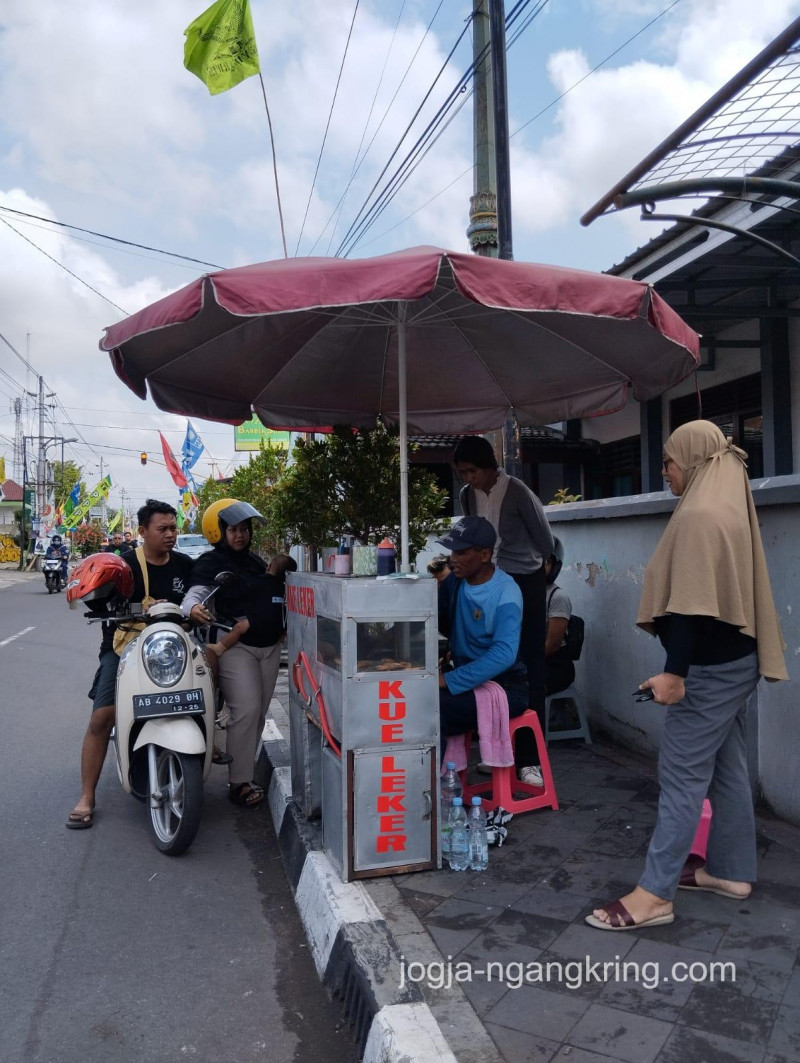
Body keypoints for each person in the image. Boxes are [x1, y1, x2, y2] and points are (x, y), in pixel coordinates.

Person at [587, 421, 788, 932]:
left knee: (680, 776)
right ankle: (730, 872)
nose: (664, 470)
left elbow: (692, 607)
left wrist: (674, 674)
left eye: (669, 461)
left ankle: (654, 895)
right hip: (733, 662)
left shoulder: (700, 515)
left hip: (709, 670)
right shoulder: (724, 506)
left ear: (694, 460)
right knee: (726, 767)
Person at [66, 500, 193, 829]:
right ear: (142, 532)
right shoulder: (123, 565)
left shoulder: (184, 565)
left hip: (171, 648)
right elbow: (98, 593)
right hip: (124, 647)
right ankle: (86, 797)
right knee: (102, 716)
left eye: (173, 528)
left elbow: (200, 595)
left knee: (208, 673)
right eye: (162, 529)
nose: (170, 535)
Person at [454, 435, 554, 786]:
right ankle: (499, 752)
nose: (468, 478)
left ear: (488, 466)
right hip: (485, 585)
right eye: (462, 473)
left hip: (523, 584)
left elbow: (546, 542)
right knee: (491, 668)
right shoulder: (467, 496)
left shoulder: (519, 492)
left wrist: (529, 571)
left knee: (528, 668)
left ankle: (531, 760)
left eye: (472, 471)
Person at [183, 501, 290, 809]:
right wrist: (191, 608)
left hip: (269, 648)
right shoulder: (210, 563)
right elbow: (196, 594)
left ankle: (243, 772)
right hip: (235, 646)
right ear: (219, 532)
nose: (240, 535)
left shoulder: (256, 563)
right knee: (246, 709)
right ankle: (239, 784)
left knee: (257, 713)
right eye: (233, 530)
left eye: (244, 529)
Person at [436, 517, 528, 746]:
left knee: (433, 709)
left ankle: (437, 780)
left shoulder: (507, 592)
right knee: (415, 700)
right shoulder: (454, 583)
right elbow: (435, 621)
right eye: (451, 552)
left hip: (506, 688)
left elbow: (504, 654)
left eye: (461, 553)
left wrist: (448, 680)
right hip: (466, 679)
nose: (452, 559)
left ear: (485, 555)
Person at [545, 538, 575, 697]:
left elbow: (552, 646)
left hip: (554, 666)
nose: (539, 566)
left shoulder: (558, 597)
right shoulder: (525, 592)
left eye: (546, 561)